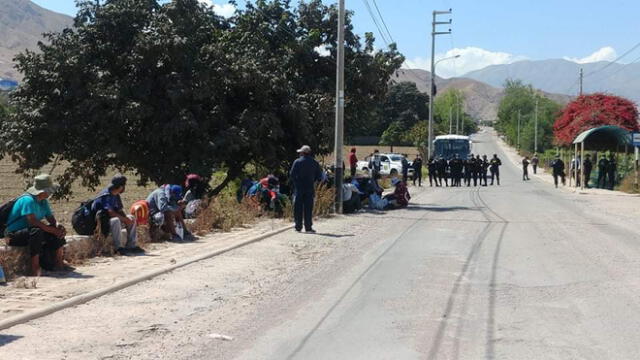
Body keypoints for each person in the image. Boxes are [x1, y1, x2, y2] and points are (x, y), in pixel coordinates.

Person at [5, 174, 69, 276]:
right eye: (49, 190)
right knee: (37, 231)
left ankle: (59, 261)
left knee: (55, 230)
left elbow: (51, 219)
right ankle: (35, 267)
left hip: (29, 232)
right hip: (14, 235)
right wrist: (52, 230)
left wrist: (58, 226)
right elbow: (33, 222)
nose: (50, 192)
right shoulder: (28, 200)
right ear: (42, 191)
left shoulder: (44, 202)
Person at [92, 175, 143, 256]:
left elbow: (119, 210)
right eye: (124, 186)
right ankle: (118, 248)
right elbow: (111, 213)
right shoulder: (106, 195)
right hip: (101, 223)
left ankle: (131, 246)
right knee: (116, 220)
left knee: (131, 218)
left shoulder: (116, 195)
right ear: (120, 187)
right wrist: (124, 220)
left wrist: (127, 219)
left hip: (110, 220)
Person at [289, 145, 323, 233]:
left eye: (300, 152)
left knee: (298, 208)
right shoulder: (315, 163)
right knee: (308, 208)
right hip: (310, 188)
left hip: (299, 188)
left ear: (303, 153)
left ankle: (298, 227)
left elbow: (292, 175)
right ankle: (308, 227)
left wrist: (296, 183)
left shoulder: (297, 162)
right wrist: (312, 181)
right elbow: (319, 177)